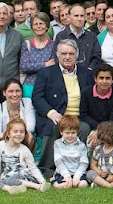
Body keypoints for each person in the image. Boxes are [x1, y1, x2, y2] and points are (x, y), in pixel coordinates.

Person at [34, 39, 94, 171]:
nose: (67, 57)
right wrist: (51, 113)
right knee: (54, 126)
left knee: (85, 128)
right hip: (57, 116)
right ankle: (47, 168)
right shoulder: (46, 73)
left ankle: (78, 168)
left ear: (76, 55)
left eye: (71, 54)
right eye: (64, 53)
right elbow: (37, 98)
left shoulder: (87, 74)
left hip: (79, 117)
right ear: (57, 55)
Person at [0, 117, 47, 194]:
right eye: (15, 131)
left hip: (23, 175)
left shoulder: (24, 150)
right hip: (7, 175)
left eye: (22, 132)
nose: (18, 134)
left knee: (10, 179)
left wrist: (42, 181)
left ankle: (37, 186)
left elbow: (32, 167)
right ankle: (10, 189)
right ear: (8, 134)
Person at [79, 63, 113, 143]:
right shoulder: (86, 92)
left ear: (112, 79)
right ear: (95, 79)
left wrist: (101, 130)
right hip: (91, 126)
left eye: (107, 78)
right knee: (91, 142)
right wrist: (98, 128)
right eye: (101, 78)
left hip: (108, 128)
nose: (104, 81)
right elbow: (83, 114)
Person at [54, 3, 102, 72]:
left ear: (85, 17)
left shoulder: (91, 36)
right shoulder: (61, 36)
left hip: (87, 76)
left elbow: (97, 56)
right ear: (69, 17)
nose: (79, 19)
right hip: (66, 76)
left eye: (82, 16)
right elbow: (57, 57)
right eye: (76, 16)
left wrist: (89, 70)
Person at [20, 11, 56, 100]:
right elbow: (24, 66)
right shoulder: (26, 44)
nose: (38, 26)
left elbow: (52, 67)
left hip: (47, 85)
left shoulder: (53, 45)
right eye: (35, 24)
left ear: (47, 26)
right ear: (32, 27)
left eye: (41, 23)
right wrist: (45, 64)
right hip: (29, 86)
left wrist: (33, 66)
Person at [0, 79, 37, 148]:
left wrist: (7, 134)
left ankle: (26, 158)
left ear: (22, 92)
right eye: (11, 91)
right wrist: (13, 135)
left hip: (22, 140)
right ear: (4, 93)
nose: (14, 95)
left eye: (17, 91)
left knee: (30, 136)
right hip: (5, 142)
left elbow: (31, 127)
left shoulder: (27, 103)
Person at [86, 121, 113, 189]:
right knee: (90, 173)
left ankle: (103, 185)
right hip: (101, 175)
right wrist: (99, 172)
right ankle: (111, 186)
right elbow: (93, 165)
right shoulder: (98, 149)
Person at [51, 115, 89, 189]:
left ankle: (73, 181)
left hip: (77, 172)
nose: (70, 135)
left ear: (77, 132)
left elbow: (84, 163)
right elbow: (58, 161)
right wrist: (67, 176)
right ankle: (55, 182)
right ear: (61, 132)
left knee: (83, 185)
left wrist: (77, 177)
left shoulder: (81, 145)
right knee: (65, 185)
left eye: (73, 133)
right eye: (67, 133)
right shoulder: (57, 143)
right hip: (63, 173)